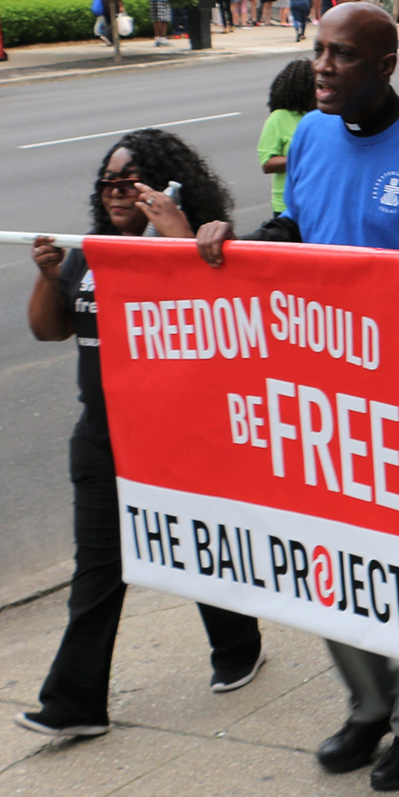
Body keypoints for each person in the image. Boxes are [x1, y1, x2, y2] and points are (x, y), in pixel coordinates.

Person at [196, 4, 399, 792]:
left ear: (386, 66)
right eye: (318, 52)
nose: (322, 67)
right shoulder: (308, 138)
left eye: (344, 56)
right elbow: (298, 229)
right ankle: (371, 705)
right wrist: (237, 241)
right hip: (326, 400)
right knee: (327, 562)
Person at [16, 129, 265, 738]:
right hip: (102, 437)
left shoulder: (196, 244)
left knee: (198, 551)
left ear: (164, 186)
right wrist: (49, 276)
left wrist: (181, 239)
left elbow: (221, 324)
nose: (116, 194)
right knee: (98, 570)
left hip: (178, 436)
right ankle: (75, 703)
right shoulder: (90, 251)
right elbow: (49, 332)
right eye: (108, 183)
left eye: (130, 182)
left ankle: (238, 644)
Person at [258, 59, 315, 215]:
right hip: (287, 207)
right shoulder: (279, 118)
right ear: (303, 91)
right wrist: (306, 159)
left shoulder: (326, 116)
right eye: (317, 88)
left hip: (318, 203)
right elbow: (267, 163)